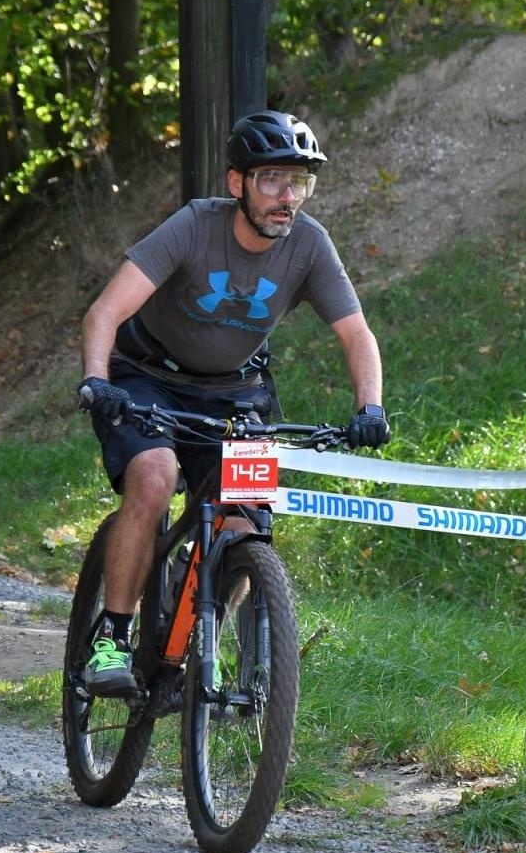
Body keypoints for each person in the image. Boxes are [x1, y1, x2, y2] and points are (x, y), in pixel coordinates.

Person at [75, 109, 390, 695]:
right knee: (154, 474)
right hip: (147, 376)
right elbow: (106, 312)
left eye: (299, 182)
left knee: (244, 516)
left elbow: (357, 334)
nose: (287, 196)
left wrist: (369, 409)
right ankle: (111, 636)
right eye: (271, 178)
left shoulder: (310, 246)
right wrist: (99, 380)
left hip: (235, 391)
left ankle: (204, 637)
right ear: (236, 182)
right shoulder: (195, 226)